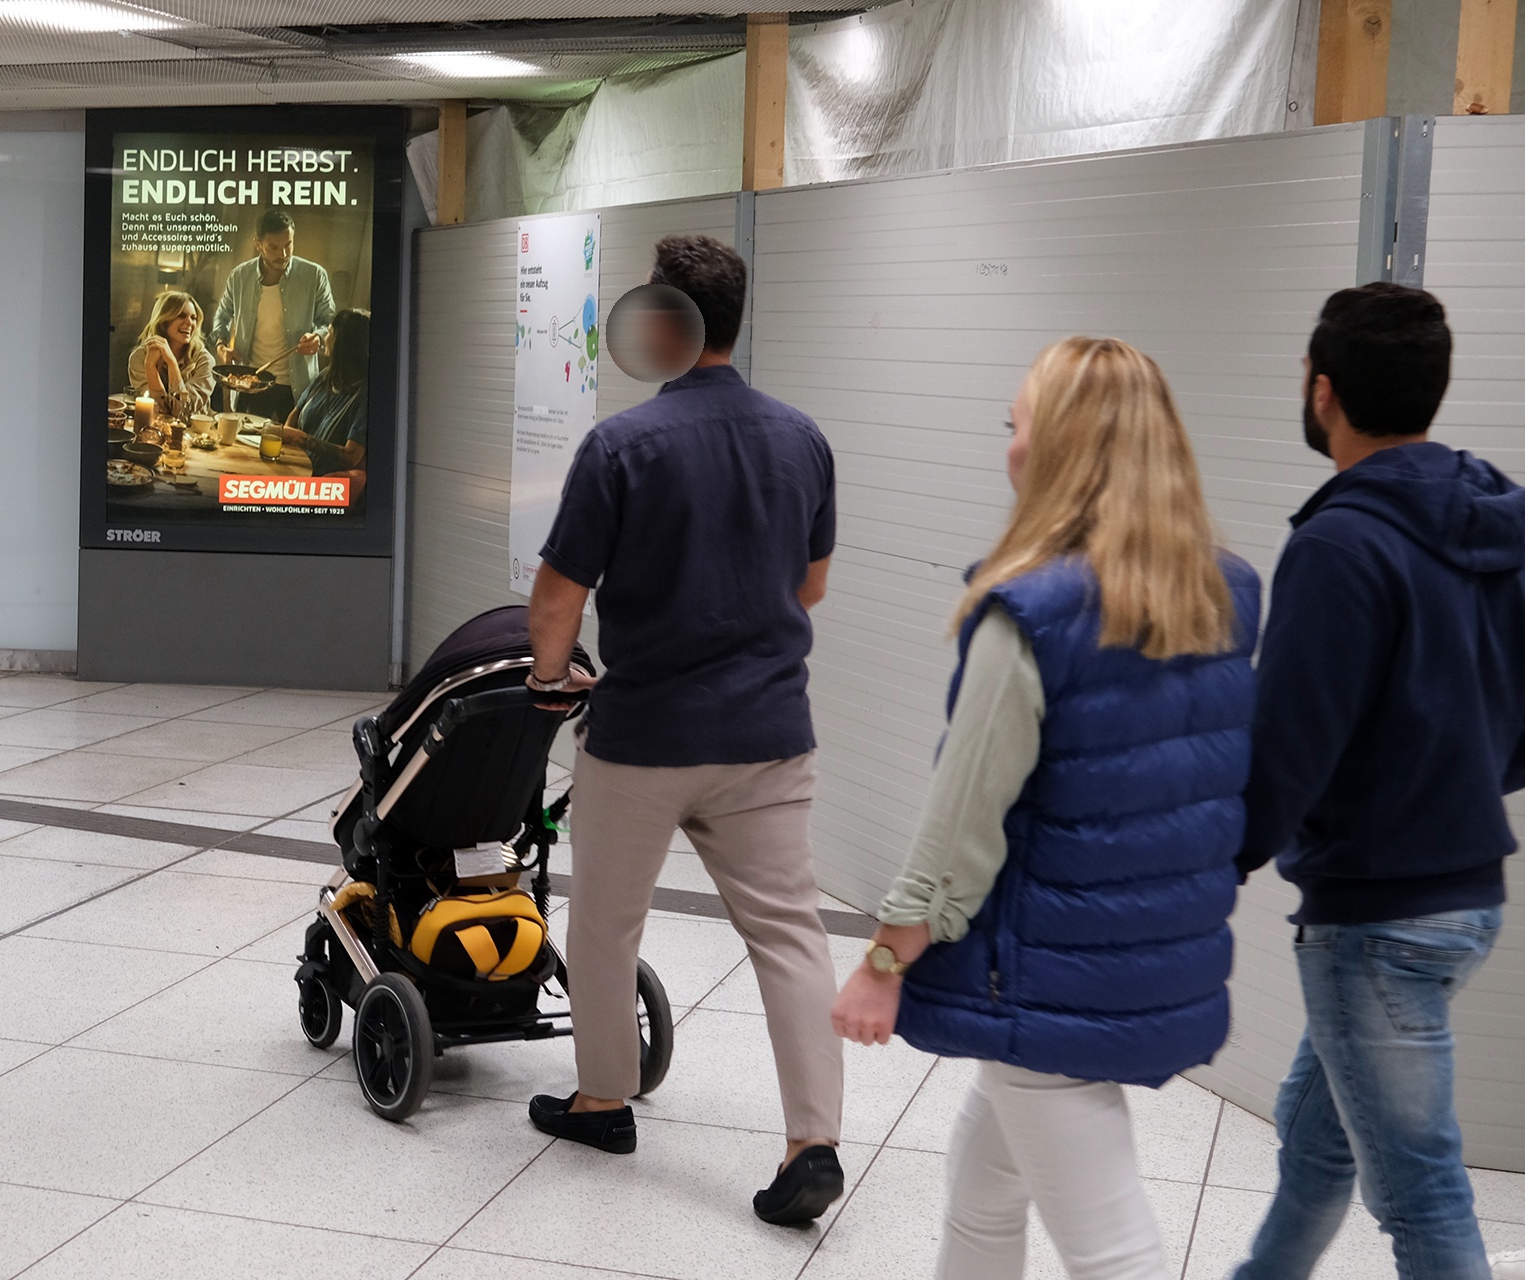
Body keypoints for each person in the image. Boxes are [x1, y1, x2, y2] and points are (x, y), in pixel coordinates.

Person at [832, 337, 1261, 1280]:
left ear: (1061, 448)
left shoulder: (1029, 612)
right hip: (1148, 957)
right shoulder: (1220, 593)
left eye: (1018, 424)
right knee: (983, 1189)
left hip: (1041, 968)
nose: (1010, 446)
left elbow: (961, 824)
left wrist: (883, 960)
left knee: (1114, 1251)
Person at [522, 234, 846, 1225]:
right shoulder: (803, 439)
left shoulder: (622, 445)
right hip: (769, 731)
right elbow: (811, 585)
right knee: (790, 934)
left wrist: (548, 681)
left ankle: (603, 1100)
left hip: (646, 734)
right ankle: (812, 1143)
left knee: (606, 922)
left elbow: (559, 594)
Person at [1232, 283, 1525, 1280]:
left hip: (1377, 922)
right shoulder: (1496, 518)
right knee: (1315, 1139)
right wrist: (1463, 782)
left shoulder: (1339, 543)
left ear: (1323, 392)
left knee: (1421, 1194)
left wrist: (1214, 861)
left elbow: (1288, 743)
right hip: (1466, 901)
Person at [212, 208, 336, 424]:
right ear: (258, 244)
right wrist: (221, 346)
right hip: (252, 382)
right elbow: (222, 316)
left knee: (292, 443)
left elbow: (328, 321)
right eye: (274, 247)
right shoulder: (239, 276)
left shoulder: (315, 275)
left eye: (288, 245)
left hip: (296, 386)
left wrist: (317, 336)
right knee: (244, 441)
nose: (283, 254)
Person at [270, 308, 369, 476]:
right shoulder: (326, 375)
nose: (326, 339)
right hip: (293, 465)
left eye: (330, 333)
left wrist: (300, 438)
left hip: (320, 478)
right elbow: (295, 414)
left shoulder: (365, 395)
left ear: (343, 344)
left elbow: (351, 457)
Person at [126, 289, 215, 418]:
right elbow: (156, 409)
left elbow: (183, 411)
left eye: (193, 318)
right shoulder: (140, 357)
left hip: (194, 429)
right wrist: (150, 367)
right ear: (164, 321)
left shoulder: (205, 361)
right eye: (181, 316)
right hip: (153, 426)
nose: (190, 323)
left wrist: (171, 363)